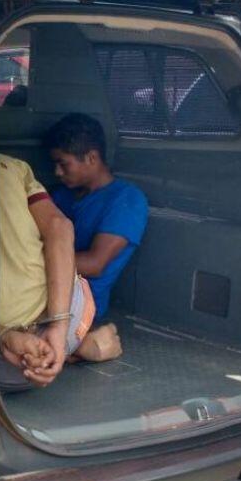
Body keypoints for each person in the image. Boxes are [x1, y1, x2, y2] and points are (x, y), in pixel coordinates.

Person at [0, 153, 120, 391]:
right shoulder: (12, 166)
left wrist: (2, 337)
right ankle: (77, 347)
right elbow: (59, 227)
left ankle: (74, 347)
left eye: (63, 164)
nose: (57, 173)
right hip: (52, 338)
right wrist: (59, 330)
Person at [46, 113, 148, 324]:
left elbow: (94, 263)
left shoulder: (126, 199)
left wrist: (26, 262)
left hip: (79, 306)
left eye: (63, 164)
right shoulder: (61, 194)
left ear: (92, 158)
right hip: (42, 289)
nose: (57, 172)